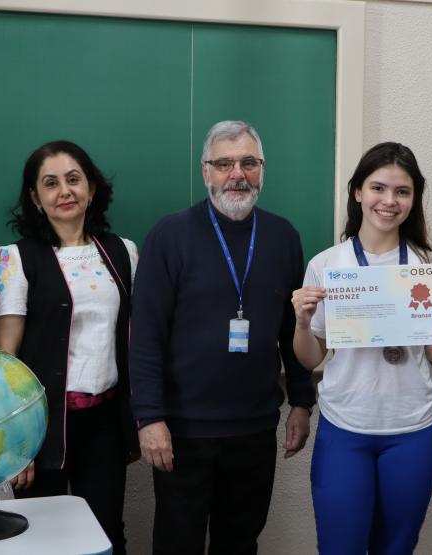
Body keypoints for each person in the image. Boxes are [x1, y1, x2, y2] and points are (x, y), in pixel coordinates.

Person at [129, 120, 315, 554]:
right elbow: (146, 336)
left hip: (254, 427)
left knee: (240, 543)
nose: (237, 174)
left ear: (262, 169)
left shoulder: (283, 236)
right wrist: (149, 418)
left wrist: (302, 401)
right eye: (225, 163)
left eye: (249, 163)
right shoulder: (169, 235)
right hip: (182, 430)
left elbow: (294, 329)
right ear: (205, 171)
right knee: (178, 544)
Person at [291, 142, 432, 553]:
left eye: (402, 192)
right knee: (340, 547)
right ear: (357, 192)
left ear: (414, 198)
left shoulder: (431, 266)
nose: (389, 201)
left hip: (412, 428)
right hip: (345, 427)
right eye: (378, 188)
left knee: (396, 547)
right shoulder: (327, 265)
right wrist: (300, 322)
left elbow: (431, 355)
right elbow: (312, 356)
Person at [0, 141, 138, 554]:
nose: (64, 191)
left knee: (105, 535)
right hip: (41, 425)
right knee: (43, 539)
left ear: (91, 187)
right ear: (35, 198)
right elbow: (6, 360)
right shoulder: (10, 260)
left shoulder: (124, 252)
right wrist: (19, 446)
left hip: (105, 421)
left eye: (74, 179)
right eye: (50, 183)